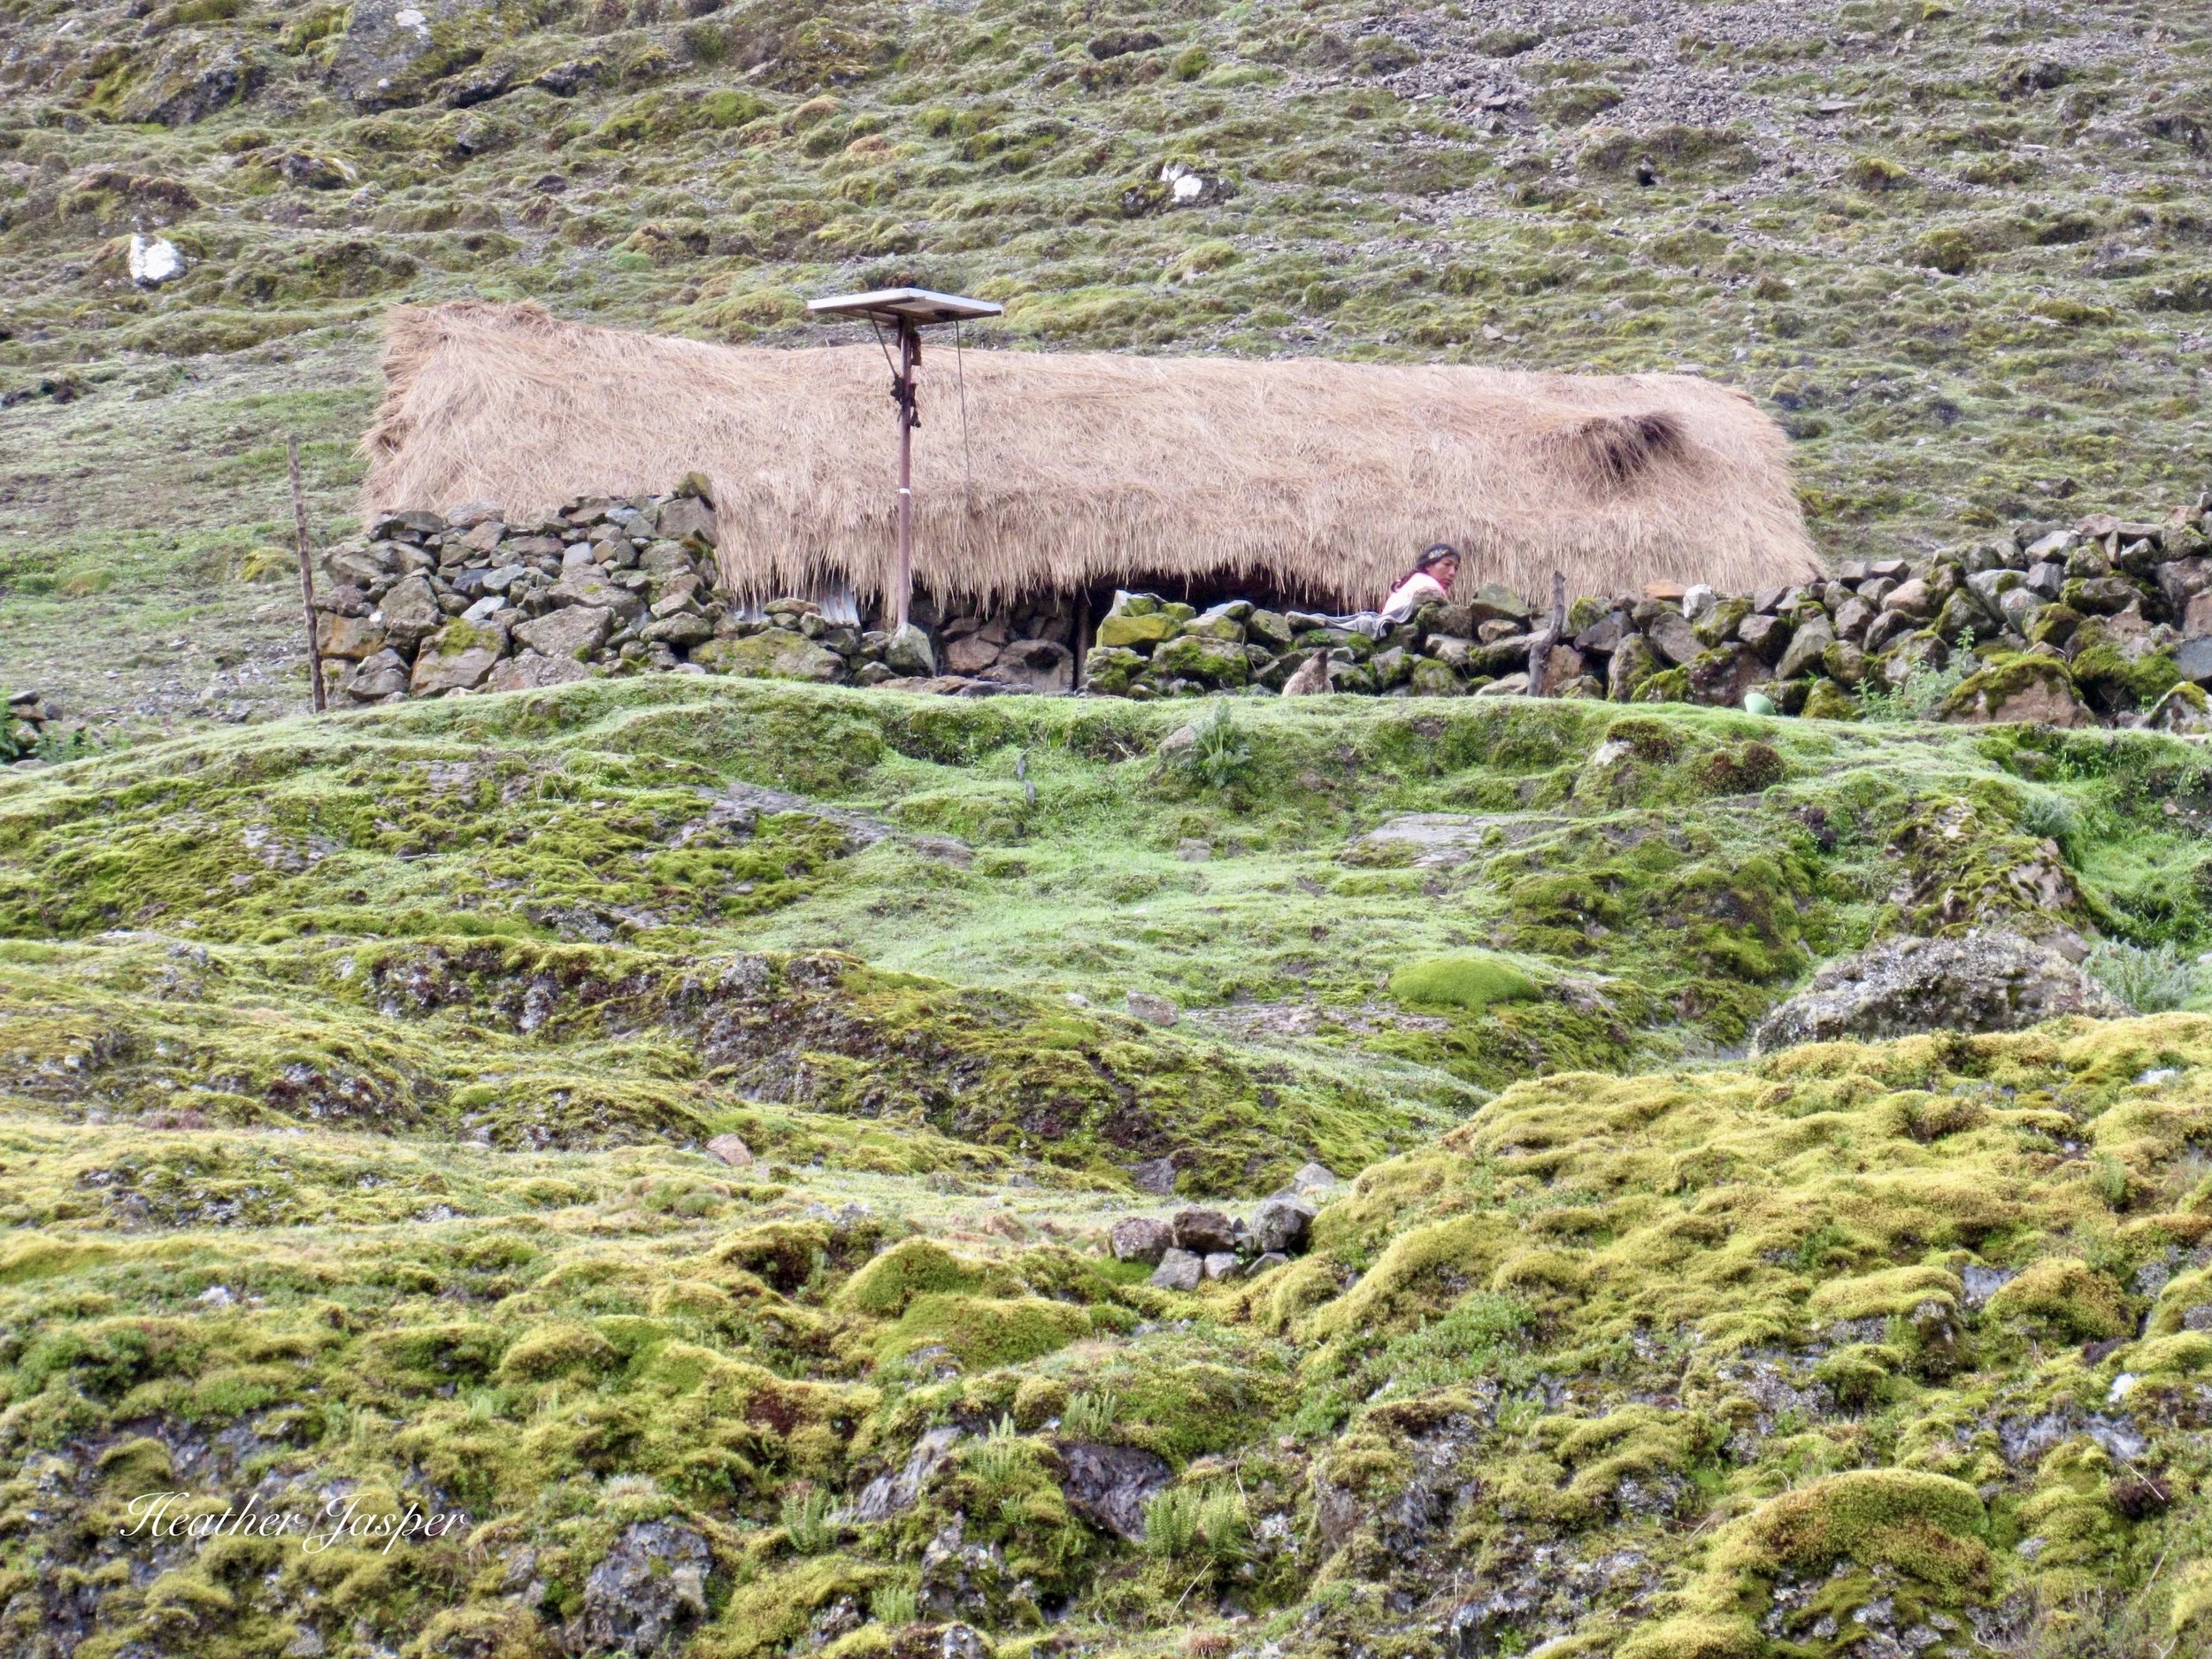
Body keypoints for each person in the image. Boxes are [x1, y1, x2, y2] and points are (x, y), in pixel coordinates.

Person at [1380, 543, 1461, 626]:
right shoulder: (1429, 586)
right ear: (1428, 565)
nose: (1452, 572)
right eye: (1447, 564)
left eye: (1456, 568)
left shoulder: (1414, 580)